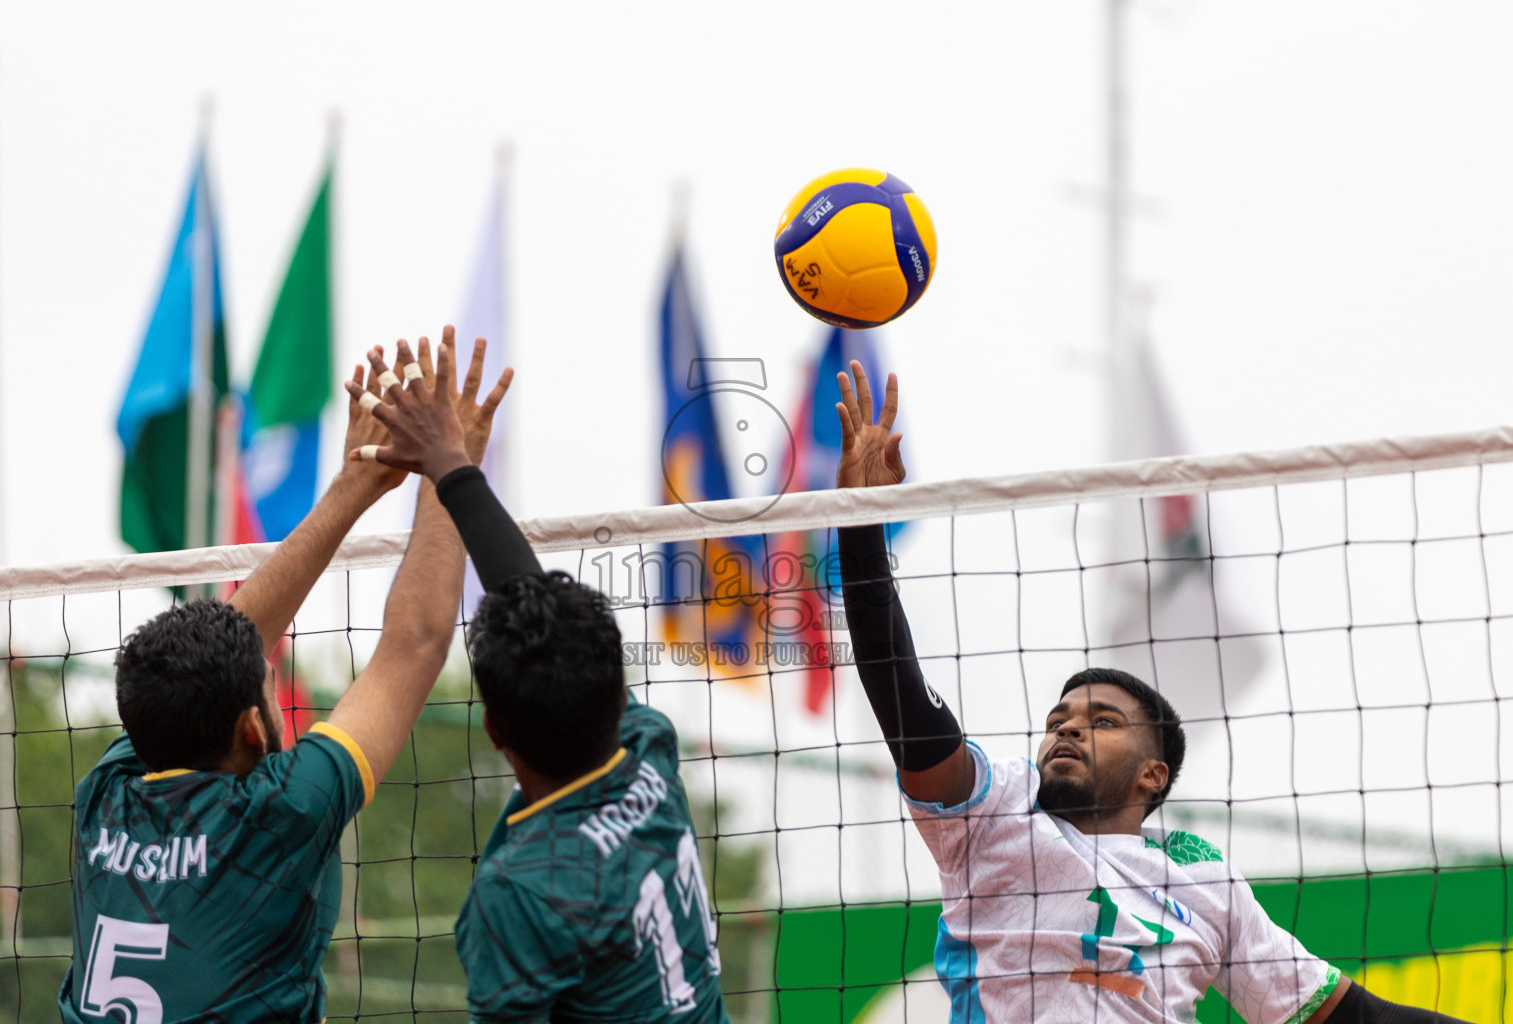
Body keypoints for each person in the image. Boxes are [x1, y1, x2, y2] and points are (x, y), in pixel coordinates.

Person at [830, 360, 1467, 1024]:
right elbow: (895, 685)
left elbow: (1352, 1017)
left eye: (1102, 720)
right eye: (1060, 719)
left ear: (1151, 775)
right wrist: (861, 521)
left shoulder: (1203, 878)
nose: (1068, 730)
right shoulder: (993, 814)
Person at [60, 329, 508, 1023]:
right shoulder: (279, 815)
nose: (277, 682)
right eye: (270, 684)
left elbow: (234, 641)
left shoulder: (107, 799)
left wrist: (350, 492)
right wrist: (451, 466)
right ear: (249, 725)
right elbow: (413, 646)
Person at [348, 346, 728, 1022]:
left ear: (495, 735)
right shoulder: (648, 751)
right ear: (616, 691)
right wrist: (452, 466)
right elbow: (532, 599)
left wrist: (451, 466)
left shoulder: (520, 892)